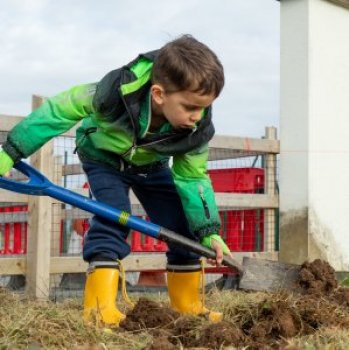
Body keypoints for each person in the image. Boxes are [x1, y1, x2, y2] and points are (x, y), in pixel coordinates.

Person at [0, 34, 232, 326]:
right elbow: (60, 109)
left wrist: (208, 230)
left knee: (183, 229)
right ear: (159, 94)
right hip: (103, 158)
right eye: (189, 108)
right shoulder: (116, 92)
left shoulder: (196, 129)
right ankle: (99, 310)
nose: (197, 117)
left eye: (203, 108)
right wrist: (10, 152)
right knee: (112, 217)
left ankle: (187, 307)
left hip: (150, 165)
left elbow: (192, 177)